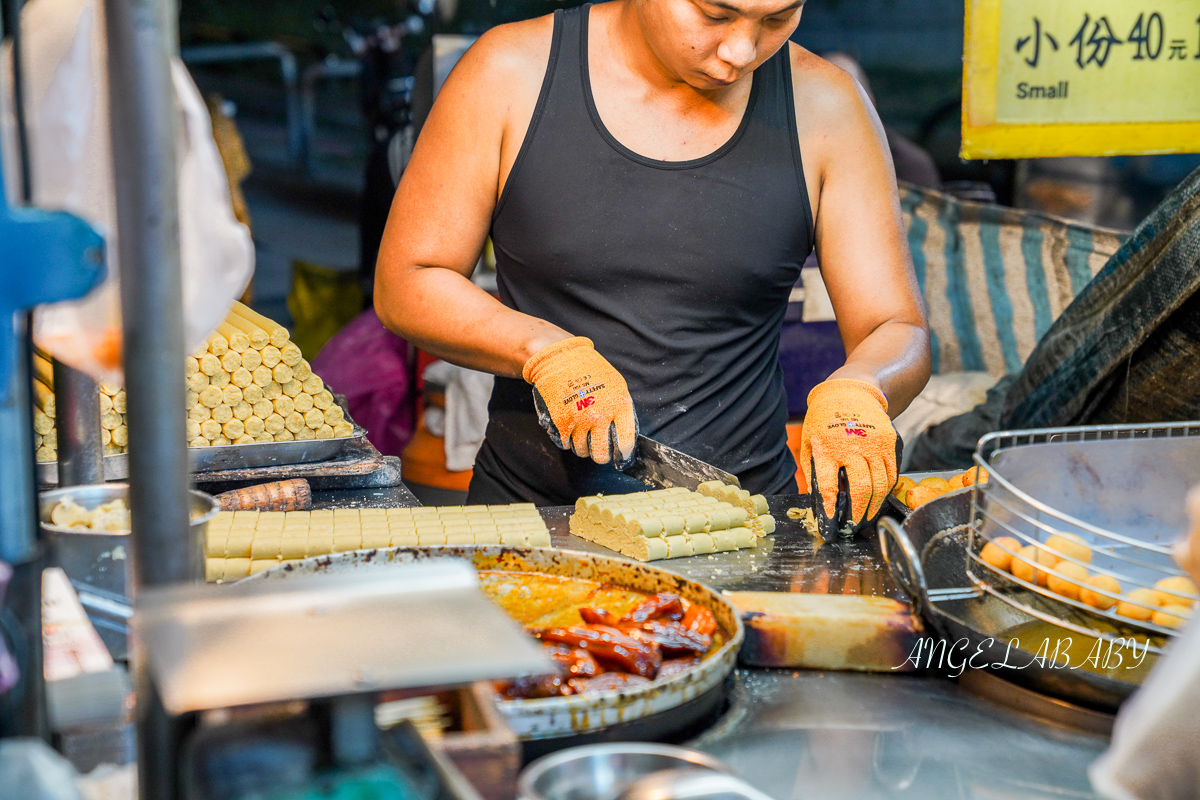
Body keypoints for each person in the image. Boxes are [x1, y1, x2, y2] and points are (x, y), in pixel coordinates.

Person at [374, 0, 931, 531]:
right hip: (535, 520)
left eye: (779, 18)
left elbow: (895, 327)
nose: (741, 50)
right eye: (715, 14)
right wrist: (542, 351)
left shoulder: (827, 106)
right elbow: (410, 279)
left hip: (745, 526)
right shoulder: (509, 73)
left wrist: (863, 388)